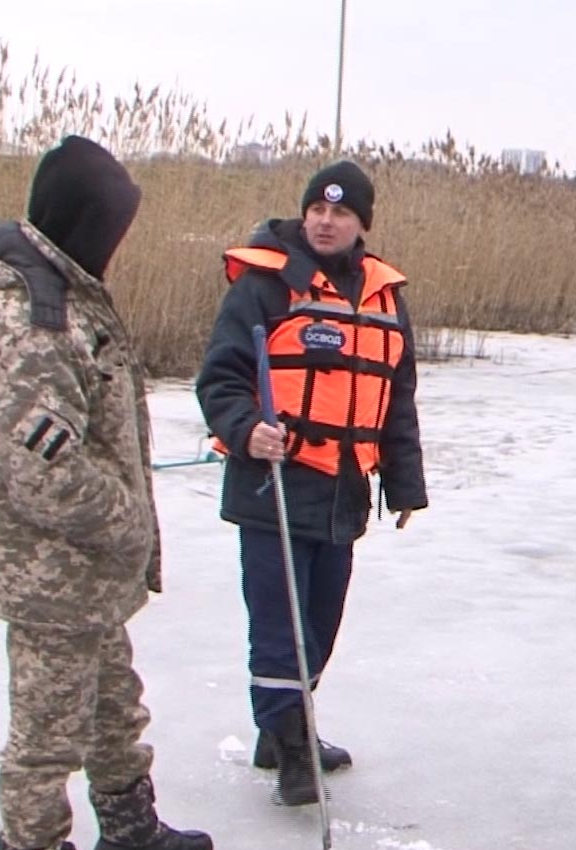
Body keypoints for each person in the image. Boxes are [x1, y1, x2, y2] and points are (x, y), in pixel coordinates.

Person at [0, 135, 212, 850]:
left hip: (83, 569)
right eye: (110, 222)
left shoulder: (61, 289)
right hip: (54, 565)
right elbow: (45, 476)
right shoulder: (35, 317)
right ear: (80, 220)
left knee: (108, 703)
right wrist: (128, 521)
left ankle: (128, 827)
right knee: (47, 729)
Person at [195, 159, 428, 808]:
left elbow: (397, 398)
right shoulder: (265, 285)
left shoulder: (384, 296)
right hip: (273, 485)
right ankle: (295, 752)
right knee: (280, 628)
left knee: (320, 624)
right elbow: (219, 379)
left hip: (343, 492)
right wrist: (246, 429)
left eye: (341, 213)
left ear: (362, 224)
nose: (326, 221)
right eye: (317, 210)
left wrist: (404, 483)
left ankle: (280, 728)